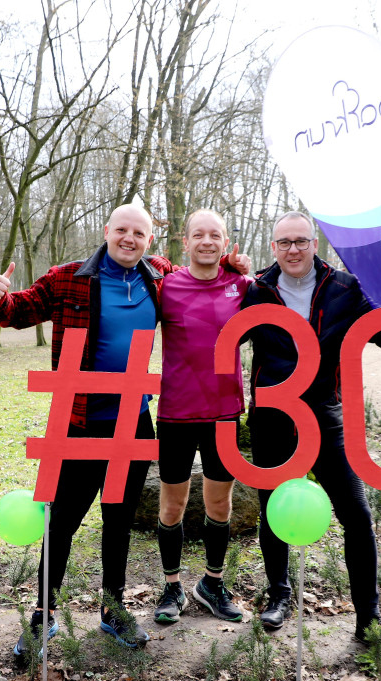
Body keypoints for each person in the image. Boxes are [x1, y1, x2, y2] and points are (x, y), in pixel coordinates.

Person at [0, 204, 249, 659]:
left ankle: (112, 610)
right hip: (81, 421)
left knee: (119, 522)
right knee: (63, 521)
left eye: (139, 233)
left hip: (133, 421)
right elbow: (17, 312)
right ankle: (42, 618)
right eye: (122, 230)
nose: (129, 238)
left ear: (150, 241)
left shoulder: (157, 275)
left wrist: (227, 262)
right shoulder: (69, 278)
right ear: (107, 231)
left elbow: (202, 272)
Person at [242, 211, 381, 659]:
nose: (293, 249)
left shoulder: (345, 288)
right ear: (273, 247)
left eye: (301, 241)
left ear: (315, 243)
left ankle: (369, 619)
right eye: (284, 242)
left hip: (327, 416)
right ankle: (278, 594)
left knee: (356, 514)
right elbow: (219, 333)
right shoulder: (256, 290)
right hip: (273, 418)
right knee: (273, 511)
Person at [152, 209, 250, 624]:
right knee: (172, 505)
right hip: (175, 412)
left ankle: (211, 583)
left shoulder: (243, 286)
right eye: (198, 235)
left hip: (224, 412)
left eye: (215, 235)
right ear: (185, 242)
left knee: (220, 502)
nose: (207, 241)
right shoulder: (166, 286)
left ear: (225, 243)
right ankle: (172, 586)